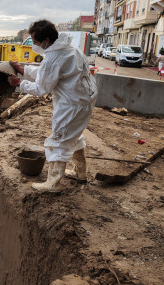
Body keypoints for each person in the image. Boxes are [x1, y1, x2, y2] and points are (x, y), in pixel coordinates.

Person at [7, 20, 97, 192]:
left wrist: (20, 84)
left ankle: (53, 183)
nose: (33, 45)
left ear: (46, 40)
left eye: (35, 41)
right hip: (85, 98)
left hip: (73, 104)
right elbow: (46, 73)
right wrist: (24, 70)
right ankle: (80, 173)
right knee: (74, 135)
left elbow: (42, 88)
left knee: (59, 139)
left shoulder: (55, 57)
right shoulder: (69, 49)